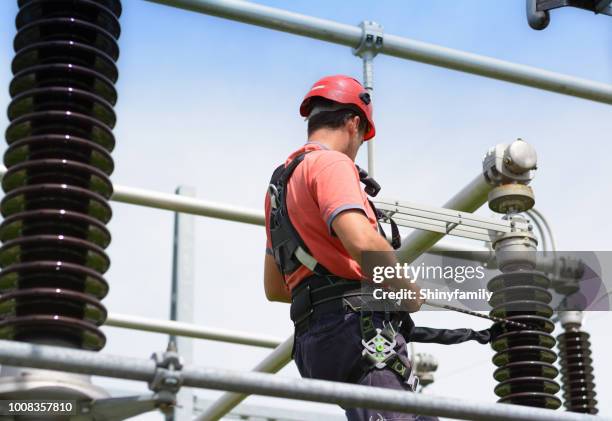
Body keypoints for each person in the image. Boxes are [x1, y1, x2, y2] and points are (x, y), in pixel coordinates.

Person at [263, 75, 490, 421]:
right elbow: (361, 240)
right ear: (355, 123)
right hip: (357, 332)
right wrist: (406, 293)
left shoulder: (279, 189)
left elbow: (275, 287)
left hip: (314, 344)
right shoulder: (331, 164)